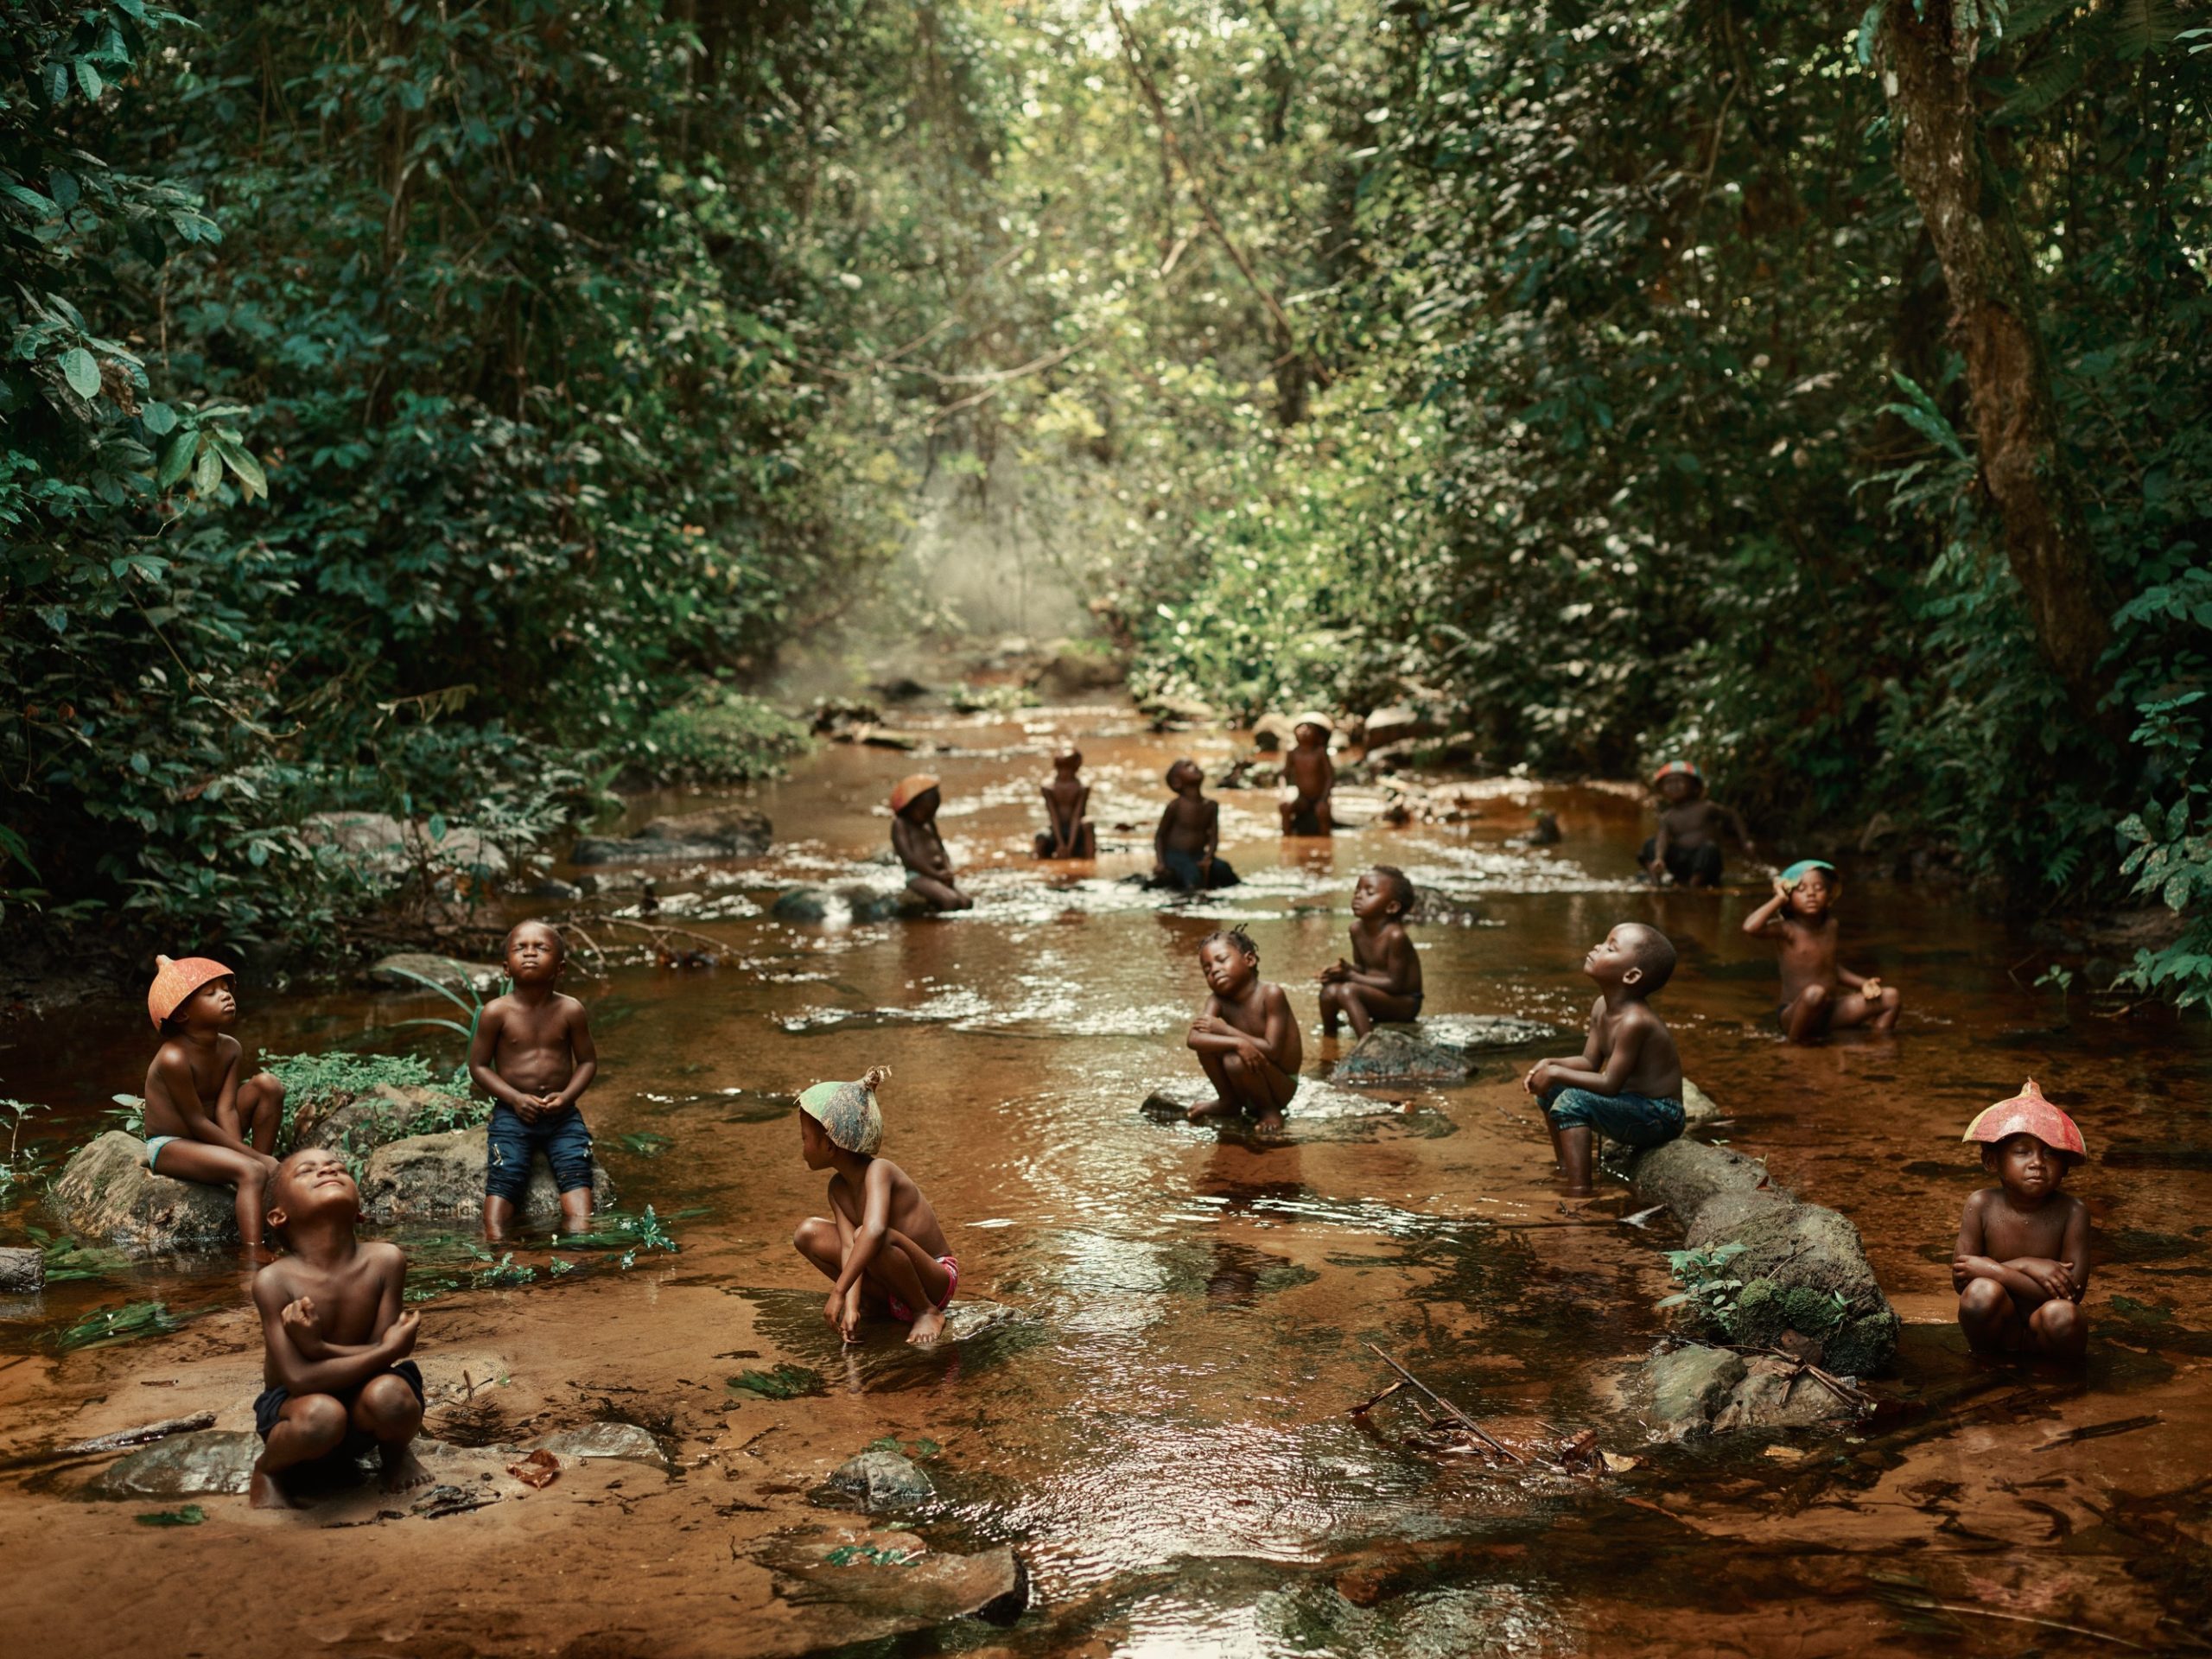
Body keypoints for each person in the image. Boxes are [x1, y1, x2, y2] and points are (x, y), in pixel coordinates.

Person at [248, 1147, 429, 1509]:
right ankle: (268, 1470)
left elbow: (381, 1360)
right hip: (301, 1408)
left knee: (392, 1395)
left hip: (366, 1401)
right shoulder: (274, 1281)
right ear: (278, 1215)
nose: (327, 1170)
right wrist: (390, 1349)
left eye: (337, 1167)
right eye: (307, 1171)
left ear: (360, 1211)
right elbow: (299, 1379)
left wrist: (318, 1349)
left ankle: (395, 1455)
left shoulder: (386, 1260)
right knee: (322, 1414)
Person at [791, 1066, 957, 1346]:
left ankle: (925, 1311)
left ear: (830, 1146)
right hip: (890, 1281)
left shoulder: (879, 1170)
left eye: (805, 1139)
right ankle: (876, 1305)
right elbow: (847, 1249)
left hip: (934, 1279)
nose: (802, 1148)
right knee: (807, 1233)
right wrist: (853, 1305)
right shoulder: (838, 1188)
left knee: (867, 1235)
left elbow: (875, 1231)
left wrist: (839, 1293)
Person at [1522, 923, 1684, 1196]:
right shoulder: (1601, 1006)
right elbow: (1588, 1062)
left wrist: (1556, 1073)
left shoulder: (1635, 1021)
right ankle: (1566, 1169)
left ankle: (1579, 1191)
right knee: (1552, 1089)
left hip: (1660, 1115)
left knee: (1572, 1101)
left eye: (1610, 947)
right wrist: (1550, 1063)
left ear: (1631, 976)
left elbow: (1609, 1084)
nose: (1597, 947)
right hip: (1631, 1104)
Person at [142, 954, 287, 1252]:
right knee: (253, 1169)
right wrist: (252, 1163)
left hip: (212, 1134)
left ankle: (254, 1186)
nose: (226, 996)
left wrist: (248, 1156)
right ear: (182, 1014)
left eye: (225, 989)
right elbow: (195, 1122)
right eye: (211, 993)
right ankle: (254, 1254)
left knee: (267, 1086)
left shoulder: (230, 1048)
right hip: (174, 1143)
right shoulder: (174, 1058)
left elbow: (227, 1109)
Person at [470, 919, 599, 1241]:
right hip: (512, 1115)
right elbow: (478, 1066)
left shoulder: (571, 1010)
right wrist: (514, 1098)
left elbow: (587, 1062)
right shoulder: (495, 1012)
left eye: (541, 948)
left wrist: (568, 1097)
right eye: (520, 948)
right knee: (505, 1175)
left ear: (560, 967)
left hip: (562, 1115)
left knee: (576, 1171)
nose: (530, 954)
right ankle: (496, 1242)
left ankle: (582, 1238)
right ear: (506, 969)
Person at [1955, 1078, 2089, 1360]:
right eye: (2022, 1151)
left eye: (2050, 1153)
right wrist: (2030, 1267)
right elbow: (1963, 1279)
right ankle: (1988, 1363)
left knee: (2064, 1315)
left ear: (2065, 1167)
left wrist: (1995, 1269)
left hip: (2046, 1330)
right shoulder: (1980, 1204)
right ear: (1992, 1162)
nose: (2037, 1162)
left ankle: (2055, 1385)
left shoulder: (2072, 1211)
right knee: (1980, 1294)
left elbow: (2069, 1296)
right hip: (2000, 1328)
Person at [1741, 859, 1901, 1043]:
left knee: (1891, 997)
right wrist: (1778, 899)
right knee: (1814, 994)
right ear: (1789, 899)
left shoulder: (1831, 926)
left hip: (1830, 1012)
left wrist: (1863, 984)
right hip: (1795, 1015)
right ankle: (1793, 1045)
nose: (1811, 894)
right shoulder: (1787, 930)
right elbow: (1750, 927)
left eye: (1818, 888)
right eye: (1801, 890)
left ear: (1829, 896)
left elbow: (1829, 967)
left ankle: (1877, 1043)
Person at [1185, 928, 1301, 1132]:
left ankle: (1270, 1111)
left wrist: (1227, 1031)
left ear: (1249, 960)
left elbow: (1272, 1050)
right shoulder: (1216, 1000)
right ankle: (1228, 1102)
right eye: (1207, 969)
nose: (1214, 970)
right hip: (1248, 1075)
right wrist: (1238, 1043)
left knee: (1234, 1060)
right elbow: (1194, 1039)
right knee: (1209, 1046)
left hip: (1281, 1084)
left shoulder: (1271, 994)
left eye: (1222, 960)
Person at [1319, 866, 1423, 1038]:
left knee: (1348, 990)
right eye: (1357, 890)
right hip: (1376, 994)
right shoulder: (1356, 930)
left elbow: (1395, 985)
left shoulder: (1396, 936)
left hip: (1404, 1003)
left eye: (1369, 892)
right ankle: (1329, 1041)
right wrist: (1342, 972)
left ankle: (1367, 1046)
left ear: (1392, 907)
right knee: (1329, 991)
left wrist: (1351, 976)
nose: (1358, 896)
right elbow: (1362, 969)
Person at [1639, 761, 1753, 887]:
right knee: (1650, 843)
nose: (1673, 786)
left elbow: (1733, 815)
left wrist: (1745, 841)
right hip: (1681, 862)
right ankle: (1656, 882)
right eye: (1668, 783)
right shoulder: (1667, 816)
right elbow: (1662, 838)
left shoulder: (1706, 807)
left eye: (1678, 781)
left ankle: (1694, 885)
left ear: (1695, 786)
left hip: (1704, 863)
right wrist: (1659, 858)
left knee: (1709, 848)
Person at [891, 773, 974, 911]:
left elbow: (941, 850)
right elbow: (908, 857)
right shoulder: (901, 824)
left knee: (966, 901)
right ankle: (943, 931)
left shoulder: (929, 823)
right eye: (925, 812)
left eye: (932, 813)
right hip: (919, 875)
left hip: (939, 874)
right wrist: (935, 875)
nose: (929, 817)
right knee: (950, 901)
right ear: (911, 806)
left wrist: (948, 870)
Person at [1154, 758, 1238, 890]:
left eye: (1194, 764)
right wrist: (1161, 863)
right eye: (1188, 766)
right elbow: (1160, 836)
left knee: (1223, 869)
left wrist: (1208, 857)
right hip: (1176, 856)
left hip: (1199, 854)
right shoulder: (1175, 806)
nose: (1195, 767)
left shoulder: (1211, 805)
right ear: (1177, 782)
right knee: (1192, 875)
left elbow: (1213, 836)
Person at [1279, 713, 1336, 836]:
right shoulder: (1293, 752)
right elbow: (1284, 775)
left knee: (1322, 811)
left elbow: (1330, 777)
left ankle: (1325, 845)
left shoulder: (1320, 752)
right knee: (1284, 806)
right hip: (1302, 798)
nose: (1304, 731)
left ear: (1318, 735)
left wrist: (1324, 799)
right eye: (1302, 727)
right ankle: (1286, 841)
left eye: (1309, 728)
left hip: (1319, 798)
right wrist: (1284, 794)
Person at [1034, 748, 1097, 860]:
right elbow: (1053, 816)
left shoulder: (1082, 787)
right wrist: (1061, 844)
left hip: (1076, 830)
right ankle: (1038, 864)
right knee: (1040, 835)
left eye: (1068, 769)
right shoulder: (1048, 787)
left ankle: (1090, 860)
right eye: (1061, 769)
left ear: (1075, 769)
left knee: (1088, 823)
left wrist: (1069, 847)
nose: (1065, 773)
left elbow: (1076, 816)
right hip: (1056, 830)